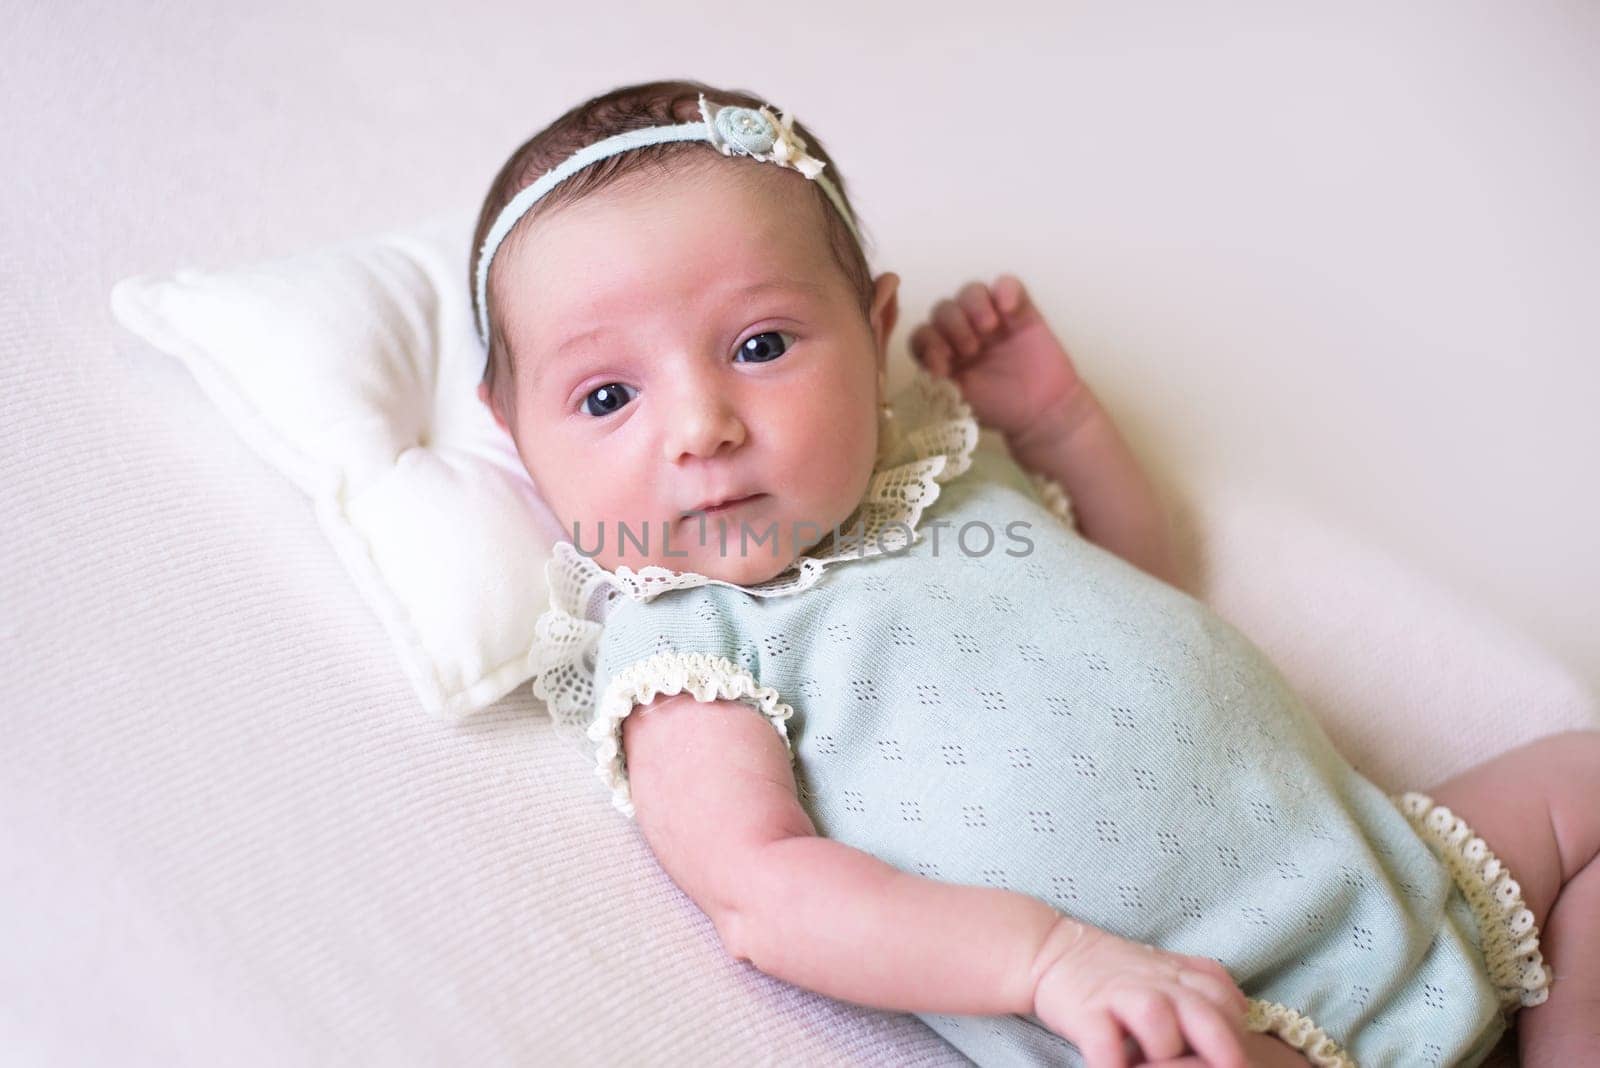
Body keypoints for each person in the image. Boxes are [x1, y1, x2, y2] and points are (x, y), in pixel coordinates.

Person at [468, 77, 1597, 1067]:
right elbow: (761, 893)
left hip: (1384, 869)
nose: (702, 427)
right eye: (608, 398)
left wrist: (1057, 424)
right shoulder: (682, 636)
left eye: (761, 345)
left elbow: (1141, 587)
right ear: (514, 432)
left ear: (873, 335)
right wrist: (1049, 963)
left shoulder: (948, 476)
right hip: (1172, 1001)